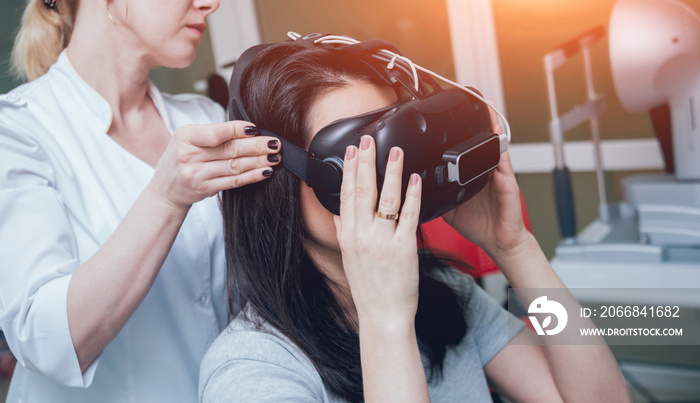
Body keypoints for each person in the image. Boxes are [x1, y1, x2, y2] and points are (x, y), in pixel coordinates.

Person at [198, 39, 632, 402]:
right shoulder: (252, 371)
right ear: (278, 186)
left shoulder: (444, 296)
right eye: (364, 163)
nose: (392, 181)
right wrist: (386, 323)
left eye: (397, 151)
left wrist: (515, 249)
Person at [0, 0, 281, 401]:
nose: (211, 3)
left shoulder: (206, 117)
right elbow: (46, 341)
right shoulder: (15, 130)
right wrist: (166, 197)